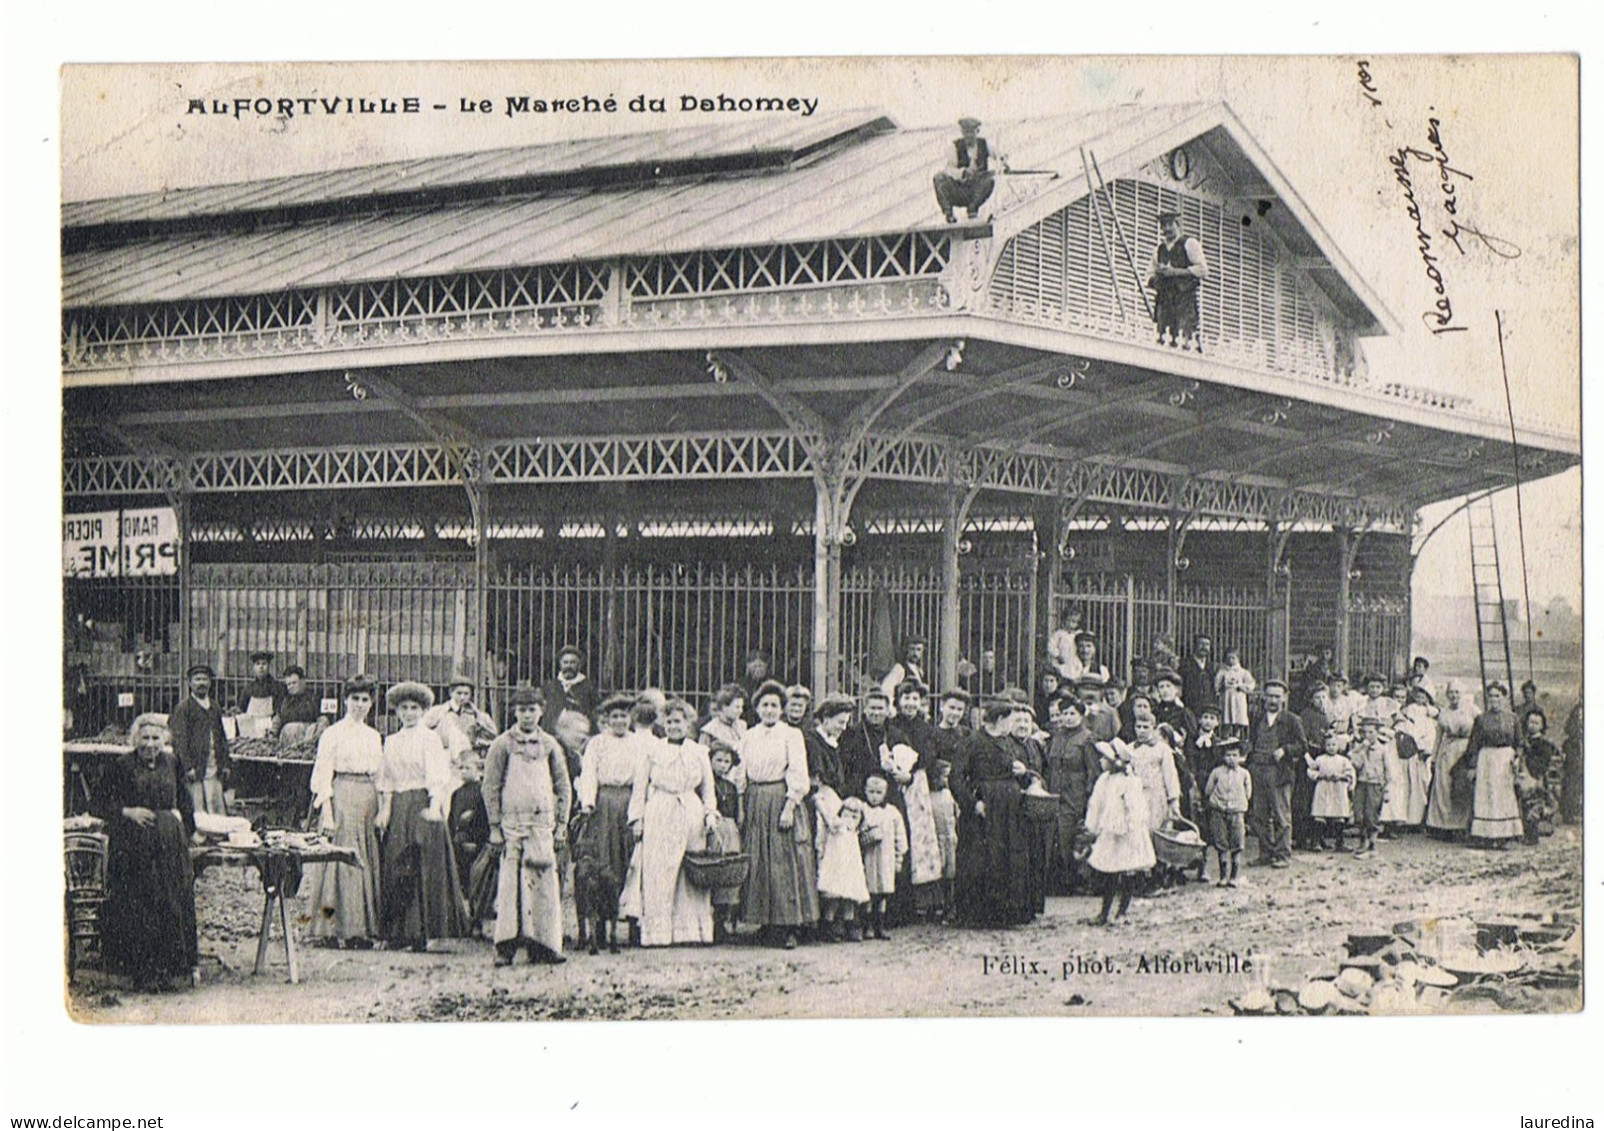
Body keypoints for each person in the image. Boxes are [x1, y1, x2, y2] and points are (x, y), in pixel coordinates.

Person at [95, 714, 197, 991]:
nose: (150, 744)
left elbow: (185, 801)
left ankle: (171, 972)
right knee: (140, 904)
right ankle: (141, 973)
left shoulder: (173, 763)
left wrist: (188, 831)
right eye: (145, 738)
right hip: (133, 845)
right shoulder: (121, 765)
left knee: (170, 901)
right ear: (135, 739)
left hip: (167, 843)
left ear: (164, 740)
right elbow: (99, 801)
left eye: (156, 738)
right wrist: (127, 812)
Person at [483, 686, 572, 965]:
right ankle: (505, 946)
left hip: (542, 824)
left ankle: (545, 945)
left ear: (541, 711)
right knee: (511, 885)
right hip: (512, 825)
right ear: (514, 712)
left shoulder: (550, 745)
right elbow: (490, 787)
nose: (527, 716)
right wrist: (495, 827)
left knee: (543, 883)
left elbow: (563, 786)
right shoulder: (502, 744)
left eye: (532, 710)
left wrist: (561, 824)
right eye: (522, 710)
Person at [377, 680, 468, 951]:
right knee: (397, 865)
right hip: (400, 806)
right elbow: (387, 781)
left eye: (414, 708)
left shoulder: (430, 739)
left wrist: (435, 806)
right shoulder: (391, 741)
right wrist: (385, 811)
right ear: (396, 712)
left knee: (420, 866)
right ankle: (398, 932)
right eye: (403, 708)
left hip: (422, 804)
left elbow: (438, 778)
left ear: (423, 710)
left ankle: (422, 933)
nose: (409, 713)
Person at [627, 698, 718, 947]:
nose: (673, 726)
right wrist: (637, 819)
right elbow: (639, 787)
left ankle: (689, 932)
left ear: (688, 723)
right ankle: (658, 933)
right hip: (660, 810)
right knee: (659, 870)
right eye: (668, 721)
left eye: (677, 721)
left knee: (690, 872)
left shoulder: (699, 752)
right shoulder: (652, 750)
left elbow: (708, 789)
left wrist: (710, 813)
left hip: (691, 811)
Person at [303, 675, 383, 948]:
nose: (359, 705)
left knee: (364, 860)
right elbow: (323, 774)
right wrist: (327, 811)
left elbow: (379, 775)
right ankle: (332, 928)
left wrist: (381, 809)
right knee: (341, 860)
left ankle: (360, 930)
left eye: (365, 700)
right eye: (355, 699)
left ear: (371, 703)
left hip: (367, 799)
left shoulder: (374, 736)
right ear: (345, 701)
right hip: (342, 795)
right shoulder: (332, 733)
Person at [738, 680, 817, 949]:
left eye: (774, 705)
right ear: (757, 708)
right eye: (765, 705)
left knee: (783, 862)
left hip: (780, 798)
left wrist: (790, 805)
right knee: (759, 860)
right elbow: (742, 772)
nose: (769, 710)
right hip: (755, 800)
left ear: (782, 709)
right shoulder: (749, 735)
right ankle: (764, 922)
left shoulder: (791, 735)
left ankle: (788, 926)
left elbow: (798, 772)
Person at [953, 700, 1034, 927]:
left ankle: (1006, 913)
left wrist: (1022, 772)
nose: (1013, 724)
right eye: (1010, 720)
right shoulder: (972, 742)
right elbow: (956, 779)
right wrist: (972, 803)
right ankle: (978, 915)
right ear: (999, 720)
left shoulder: (1008, 742)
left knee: (1008, 857)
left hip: (1008, 809)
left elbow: (1024, 774)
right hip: (984, 809)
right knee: (981, 859)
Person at [575, 693, 645, 942]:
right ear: (606, 719)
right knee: (604, 862)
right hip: (603, 805)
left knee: (631, 861)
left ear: (630, 718)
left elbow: (641, 780)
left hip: (628, 803)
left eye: (624, 716)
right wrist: (588, 803)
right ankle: (601, 925)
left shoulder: (639, 743)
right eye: (614, 716)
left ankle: (634, 925)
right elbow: (589, 774)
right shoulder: (597, 743)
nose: (619, 721)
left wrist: (637, 814)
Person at [885, 681, 944, 920]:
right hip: (893, 783)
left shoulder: (926, 728)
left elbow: (929, 756)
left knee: (920, 840)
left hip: (918, 785)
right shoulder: (891, 726)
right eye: (905, 698)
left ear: (921, 703)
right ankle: (897, 904)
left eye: (914, 699)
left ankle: (922, 903)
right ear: (898, 701)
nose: (910, 703)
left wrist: (912, 772)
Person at [1085, 742, 1157, 922]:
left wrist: (1133, 830)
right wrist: (1093, 827)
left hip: (1126, 834)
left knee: (1127, 871)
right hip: (1111, 833)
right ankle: (1104, 912)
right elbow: (1096, 805)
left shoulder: (1130, 782)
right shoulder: (1103, 780)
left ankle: (1122, 911)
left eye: (1105, 758)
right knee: (1109, 871)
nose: (1101, 761)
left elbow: (1136, 809)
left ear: (1116, 762)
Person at [1245, 679, 1306, 868]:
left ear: (1284, 698)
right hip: (1258, 770)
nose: (1273, 700)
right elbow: (1251, 741)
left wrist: (1285, 750)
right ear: (1263, 696)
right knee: (1259, 816)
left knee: (1281, 815)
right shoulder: (1256, 717)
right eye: (1270, 695)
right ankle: (1266, 853)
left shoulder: (1291, 720)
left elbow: (1303, 746)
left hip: (1279, 773)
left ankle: (1282, 855)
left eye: (1277, 696)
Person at [1044, 695, 1099, 894]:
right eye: (1064, 713)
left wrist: (1089, 797)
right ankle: (1058, 881)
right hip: (1055, 790)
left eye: (1072, 714)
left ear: (1081, 715)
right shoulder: (1057, 736)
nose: (1067, 718)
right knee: (1055, 835)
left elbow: (1093, 771)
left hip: (1075, 793)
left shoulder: (1086, 738)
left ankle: (1076, 880)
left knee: (1070, 835)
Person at [1465, 683, 1524, 848]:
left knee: (1504, 796)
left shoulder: (1513, 718)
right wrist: (1472, 766)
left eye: (1497, 696)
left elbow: (1519, 742)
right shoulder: (1481, 719)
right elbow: (1474, 744)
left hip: (1505, 759)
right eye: (1491, 696)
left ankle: (1505, 836)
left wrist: (1517, 758)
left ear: (1505, 698)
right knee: (1487, 796)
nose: (1494, 699)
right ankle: (1486, 835)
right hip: (1487, 760)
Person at [168, 663, 232, 816]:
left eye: (204, 679)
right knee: (197, 806)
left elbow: (221, 737)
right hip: (195, 766)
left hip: (213, 764)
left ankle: (216, 836)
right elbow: (179, 740)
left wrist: (225, 763)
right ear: (190, 683)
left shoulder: (215, 707)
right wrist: (187, 766)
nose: (201, 683)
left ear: (210, 683)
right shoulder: (184, 708)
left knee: (215, 805)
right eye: (197, 679)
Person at [1147, 209, 1209, 350]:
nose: (1167, 229)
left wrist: (1176, 272)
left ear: (1177, 224)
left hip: (1184, 300)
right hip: (1165, 301)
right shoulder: (1159, 249)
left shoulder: (1189, 244)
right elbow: (1149, 275)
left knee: (1185, 337)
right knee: (1164, 337)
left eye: (1170, 224)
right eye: (1163, 225)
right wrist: (1159, 275)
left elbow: (1203, 270)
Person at [1425, 680, 1478, 839]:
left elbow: (1479, 731)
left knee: (1460, 787)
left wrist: (1474, 755)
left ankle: (1460, 826)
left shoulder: (1472, 710)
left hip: (1465, 750)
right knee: (1443, 788)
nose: (1454, 696)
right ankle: (1442, 826)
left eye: (1457, 692)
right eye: (1451, 693)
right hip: (1447, 751)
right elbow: (1439, 736)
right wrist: (1434, 757)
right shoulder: (1444, 713)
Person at [858, 774, 908, 940]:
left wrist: (899, 857)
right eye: (871, 791)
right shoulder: (862, 810)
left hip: (886, 859)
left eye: (879, 792)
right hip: (869, 858)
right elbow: (855, 832)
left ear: (885, 793)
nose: (874, 796)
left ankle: (880, 925)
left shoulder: (892, 812)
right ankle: (868, 926)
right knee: (869, 892)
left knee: (883, 893)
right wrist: (866, 835)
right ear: (865, 791)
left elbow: (900, 836)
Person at [814, 792, 870, 942]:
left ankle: (850, 926)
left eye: (855, 817)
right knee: (833, 899)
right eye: (847, 814)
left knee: (849, 900)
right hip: (836, 868)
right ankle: (829, 927)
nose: (850, 819)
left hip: (850, 870)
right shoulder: (838, 827)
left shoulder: (856, 833)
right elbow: (827, 816)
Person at [706, 742, 745, 942]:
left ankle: (723, 922)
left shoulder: (730, 786)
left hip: (729, 831)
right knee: (712, 871)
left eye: (726, 762)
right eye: (718, 760)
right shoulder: (705, 783)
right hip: (713, 830)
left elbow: (737, 813)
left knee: (728, 874)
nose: (722, 765)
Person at [932, 117, 1000, 224]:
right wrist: (962, 172)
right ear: (962, 132)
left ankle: (973, 209)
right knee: (939, 178)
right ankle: (949, 214)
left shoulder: (984, 144)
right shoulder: (955, 147)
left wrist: (1004, 163)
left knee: (990, 179)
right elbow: (949, 169)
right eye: (966, 132)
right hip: (960, 189)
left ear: (977, 132)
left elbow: (999, 155)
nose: (968, 136)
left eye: (971, 132)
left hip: (976, 189)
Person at [1203, 742, 1252, 888]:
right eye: (1228, 755)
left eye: (1235, 755)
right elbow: (1208, 790)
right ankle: (1223, 876)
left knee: (1237, 844)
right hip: (1219, 811)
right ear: (1223, 756)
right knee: (1221, 843)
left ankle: (1234, 876)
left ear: (1240, 756)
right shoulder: (1216, 772)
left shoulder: (1244, 774)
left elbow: (1248, 793)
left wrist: (1239, 802)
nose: (1231, 758)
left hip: (1237, 812)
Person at [1397, 686, 1440, 827]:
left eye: (1423, 697)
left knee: (1421, 785)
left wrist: (1425, 748)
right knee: (1406, 786)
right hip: (1408, 753)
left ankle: (1417, 819)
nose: (1420, 700)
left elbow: (1431, 735)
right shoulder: (1408, 712)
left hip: (1421, 755)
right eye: (1417, 696)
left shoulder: (1429, 719)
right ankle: (1405, 819)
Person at [1308, 732, 1357, 852]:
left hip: (1337, 789)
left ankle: (1339, 843)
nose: (1331, 747)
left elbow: (1350, 773)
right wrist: (1320, 775)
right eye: (1328, 745)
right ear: (1324, 746)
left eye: (1334, 744)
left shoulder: (1343, 760)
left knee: (1338, 816)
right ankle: (1316, 842)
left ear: (1338, 746)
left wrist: (1341, 776)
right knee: (1320, 815)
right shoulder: (1320, 759)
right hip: (1323, 788)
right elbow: (1310, 770)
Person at [839, 688, 892, 799]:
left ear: (887, 711)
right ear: (865, 709)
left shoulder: (896, 734)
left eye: (880, 708)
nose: (876, 713)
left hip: (889, 794)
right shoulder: (851, 734)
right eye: (872, 708)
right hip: (859, 793)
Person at [1349, 715, 1390, 857]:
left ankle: (1372, 844)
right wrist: (1361, 749)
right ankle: (1362, 842)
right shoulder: (1359, 748)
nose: (1368, 735)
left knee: (1371, 815)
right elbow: (1355, 764)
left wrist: (1387, 790)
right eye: (1365, 732)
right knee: (1359, 814)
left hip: (1375, 784)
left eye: (1371, 732)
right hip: (1361, 783)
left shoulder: (1383, 749)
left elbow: (1388, 771)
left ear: (1378, 732)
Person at [927, 759, 959, 920]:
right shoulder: (929, 797)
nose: (946, 780)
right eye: (943, 776)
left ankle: (949, 905)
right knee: (935, 873)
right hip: (936, 838)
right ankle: (933, 906)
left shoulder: (949, 794)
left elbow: (955, 812)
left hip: (949, 837)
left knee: (950, 873)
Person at [273, 666, 328, 744]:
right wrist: (272, 733)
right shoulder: (284, 701)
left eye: (294, 683)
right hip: (287, 743)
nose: (291, 686)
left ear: (302, 681)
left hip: (308, 741)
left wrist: (313, 739)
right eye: (288, 684)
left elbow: (323, 720)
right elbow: (278, 719)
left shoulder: (314, 698)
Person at [540, 646, 597, 720]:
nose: (568, 666)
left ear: (579, 665)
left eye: (572, 662)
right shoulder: (550, 686)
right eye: (565, 662)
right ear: (560, 664)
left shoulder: (588, 687)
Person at [235, 651, 287, 726]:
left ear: (269, 667)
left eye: (264, 664)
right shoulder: (248, 688)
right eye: (258, 664)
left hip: (270, 723)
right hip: (251, 724)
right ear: (254, 668)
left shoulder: (277, 687)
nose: (261, 667)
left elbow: (279, 710)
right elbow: (242, 708)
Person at [699, 683, 749, 760]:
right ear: (724, 707)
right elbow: (702, 757)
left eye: (741, 707)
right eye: (737, 707)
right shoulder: (709, 730)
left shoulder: (742, 725)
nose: (740, 711)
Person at [1214, 648, 1256, 737]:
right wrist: (1220, 688)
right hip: (1227, 697)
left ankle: (1237, 735)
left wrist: (1242, 687)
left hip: (1238, 697)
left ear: (1238, 658)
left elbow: (1251, 684)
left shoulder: (1243, 672)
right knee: (1227, 716)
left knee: (1238, 717)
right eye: (1228, 658)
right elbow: (1216, 684)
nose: (1231, 660)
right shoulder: (1222, 671)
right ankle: (1225, 735)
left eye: (1233, 658)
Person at [880, 637, 928, 703]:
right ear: (906, 649)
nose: (915, 653)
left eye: (918, 650)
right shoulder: (900, 669)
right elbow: (886, 690)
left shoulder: (919, 671)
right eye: (912, 649)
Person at [1181, 634, 1219, 716]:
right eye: (1201, 644)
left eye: (1207, 644)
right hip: (1190, 708)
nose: (1204, 647)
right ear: (1195, 645)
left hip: (1207, 709)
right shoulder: (1185, 665)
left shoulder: (1212, 667)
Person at [1559, 699, 1583, 826]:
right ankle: (1569, 812)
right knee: (1572, 782)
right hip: (1575, 749)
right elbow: (1570, 729)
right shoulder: (1576, 710)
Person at [1047, 608, 1086, 682]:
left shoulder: (1078, 634)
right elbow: (1050, 646)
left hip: (1075, 660)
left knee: (1076, 674)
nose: (1072, 624)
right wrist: (1057, 655)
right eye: (1069, 621)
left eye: (1075, 622)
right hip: (1062, 660)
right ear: (1064, 620)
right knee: (1061, 674)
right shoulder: (1059, 634)